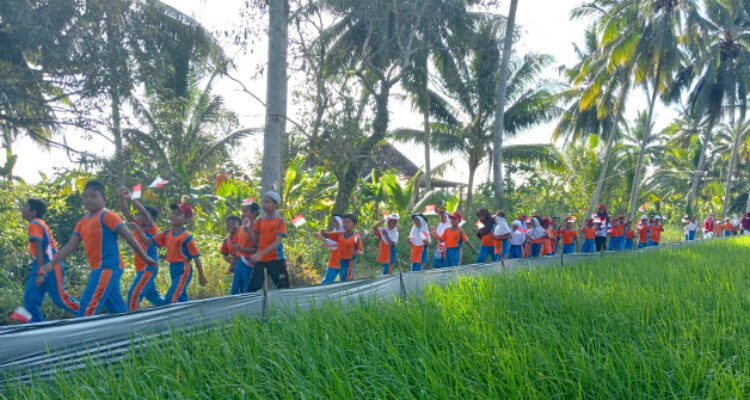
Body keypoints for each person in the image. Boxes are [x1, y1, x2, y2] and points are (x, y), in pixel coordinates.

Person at [38, 181, 158, 317]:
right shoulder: (82, 222)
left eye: (93, 196)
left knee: (88, 305)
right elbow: (70, 245)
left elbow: (129, 236)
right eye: (85, 196)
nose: (88, 199)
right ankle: (132, 331)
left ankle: (81, 335)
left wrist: (146, 258)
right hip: (99, 269)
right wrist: (51, 264)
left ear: (104, 200)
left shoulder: (108, 215)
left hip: (108, 267)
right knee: (117, 309)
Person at [134, 201, 208, 303]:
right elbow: (149, 242)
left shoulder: (187, 237)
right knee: (181, 296)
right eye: (173, 213)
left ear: (186, 219)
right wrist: (138, 231)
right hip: (173, 268)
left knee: (171, 297)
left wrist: (201, 275)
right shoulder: (167, 233)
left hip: (183, 269)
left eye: (178, 214)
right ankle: (189, 317)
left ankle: (172, 318)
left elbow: (196, 257)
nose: (174, 216)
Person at [21, 198, 79, 322]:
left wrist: (41, 273)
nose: (22, 209)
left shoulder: (35, 223)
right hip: (40, 263)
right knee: (30, 298)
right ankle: (36, 327)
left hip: (50, 262)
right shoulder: (36, 223)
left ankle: (88, 312)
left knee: (59, 298)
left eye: (25, 207)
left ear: (33, 212)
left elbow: (40, 249)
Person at [117, 187, 166, 310]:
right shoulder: (137, 225)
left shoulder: (151, 228)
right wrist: (121, 198)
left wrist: (131, 198)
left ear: (153, 219)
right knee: (154, 298)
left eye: (142, 215)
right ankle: (173, 311)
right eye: (138, 215)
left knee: (134, 295)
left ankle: (132, 325)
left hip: (148, 266)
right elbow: (125, 212)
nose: (139, 217)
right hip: (141, 268)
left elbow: (143, 211)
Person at [248, 191, 290, 291]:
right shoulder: (259, 221)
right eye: (263, 202)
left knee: (282, 286)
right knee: (253, 286)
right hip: (261, 259)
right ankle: (250, 306)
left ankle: (285, 306)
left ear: (276, 205)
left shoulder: (280, 221)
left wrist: (260, 253)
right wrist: (249, 228)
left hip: (276, 259)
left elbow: (277, 242)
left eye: (267, 202)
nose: (264, 205)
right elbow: (255, 240)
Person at [228, 201, 260, 294]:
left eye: (246, 211)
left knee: (247, 289)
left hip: (250, 264)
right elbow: (237, 248)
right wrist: (233, 264)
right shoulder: (241, 228)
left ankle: (249, 308)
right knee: (235, 288)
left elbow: (258, 248)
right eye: (243, 211)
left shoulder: (257, 228)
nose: (243, 214)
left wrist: (242, 250)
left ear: (254, 214)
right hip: (240, 262)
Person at [319, 214, 363, 282]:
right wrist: (322, 234)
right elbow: (327, 237)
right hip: (338, 260)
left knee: (346, 280)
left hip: (348, 262)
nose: (345, 224)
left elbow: (360, 250)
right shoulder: (338, 234)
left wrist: (358, 252)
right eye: (344, 222)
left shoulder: (355, 237)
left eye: (348, 222)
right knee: (334, 280)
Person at [317, 215, 343, 284]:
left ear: (341, 222)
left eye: (337, 222)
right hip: (333, 261)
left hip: (344, 261)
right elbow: (327, 241)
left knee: (346, 281)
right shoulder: (334, 232)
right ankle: (321, 293)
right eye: (334, 222)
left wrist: (328, 245)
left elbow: (341, 243)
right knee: (327, 281)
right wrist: (319, 236)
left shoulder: (345, 233)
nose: (335, 224)